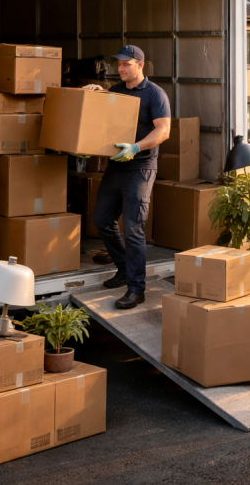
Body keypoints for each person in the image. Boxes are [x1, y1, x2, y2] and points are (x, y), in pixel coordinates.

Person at [83, 46, 171, 310]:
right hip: (116, 167)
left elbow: (163, 131)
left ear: (140, 65)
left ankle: (136, 289)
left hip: (140, 168)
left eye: (126, 64)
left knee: (133, 228)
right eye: (119, 64)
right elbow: (105, 121)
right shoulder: (116, 91)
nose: (120, 68)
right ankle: (123, 269)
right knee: (102, 219)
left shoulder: (155, 94)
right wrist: (99, 94)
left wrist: (135, 147)